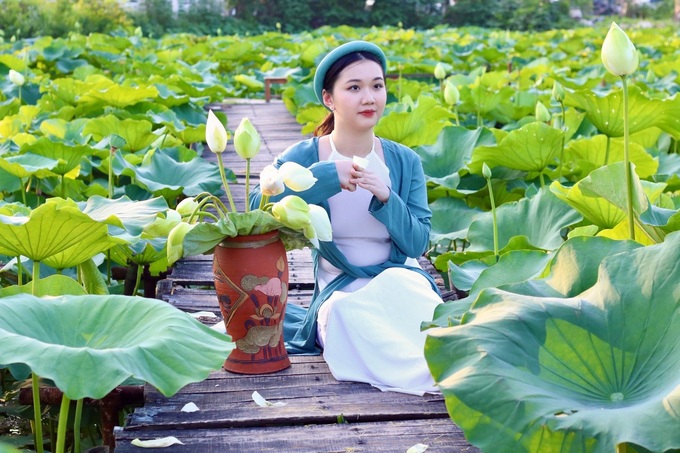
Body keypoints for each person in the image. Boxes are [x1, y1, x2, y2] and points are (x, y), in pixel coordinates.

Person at [250, 40, 443, 395]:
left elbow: (418, 243)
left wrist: (387, 198)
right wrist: (324, 177)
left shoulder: (404, 161)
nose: (369, 97)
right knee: (344, 318)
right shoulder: (308, 155)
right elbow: (254, 208)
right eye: (354, 88)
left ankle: (440, 373)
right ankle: (427, 378)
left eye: (377, 85)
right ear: (329, 98)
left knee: (421, 311)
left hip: (398, 276)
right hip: (341, 287)